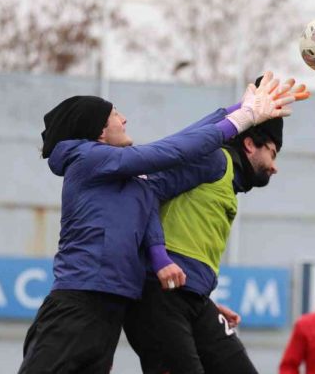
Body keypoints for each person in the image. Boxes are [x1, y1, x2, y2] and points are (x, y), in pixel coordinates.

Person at [17, 72, 297, 374]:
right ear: (99, 132)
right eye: (115, 114)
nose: (124, 119)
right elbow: (173, 150)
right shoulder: (89, 160)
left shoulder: (128, 178)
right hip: (78, 303)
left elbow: (176, 142)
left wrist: (237, 108)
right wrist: (244, 118)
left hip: (111, 309)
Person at [123, 75, 308, 374]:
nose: (275, 166)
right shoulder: (215, 161)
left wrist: (201, 295)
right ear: (249, 144)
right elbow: (145, 189)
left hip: (192, 297)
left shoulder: (227, 178)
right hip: (159, 296)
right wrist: (159, 258)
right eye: (271, 153)